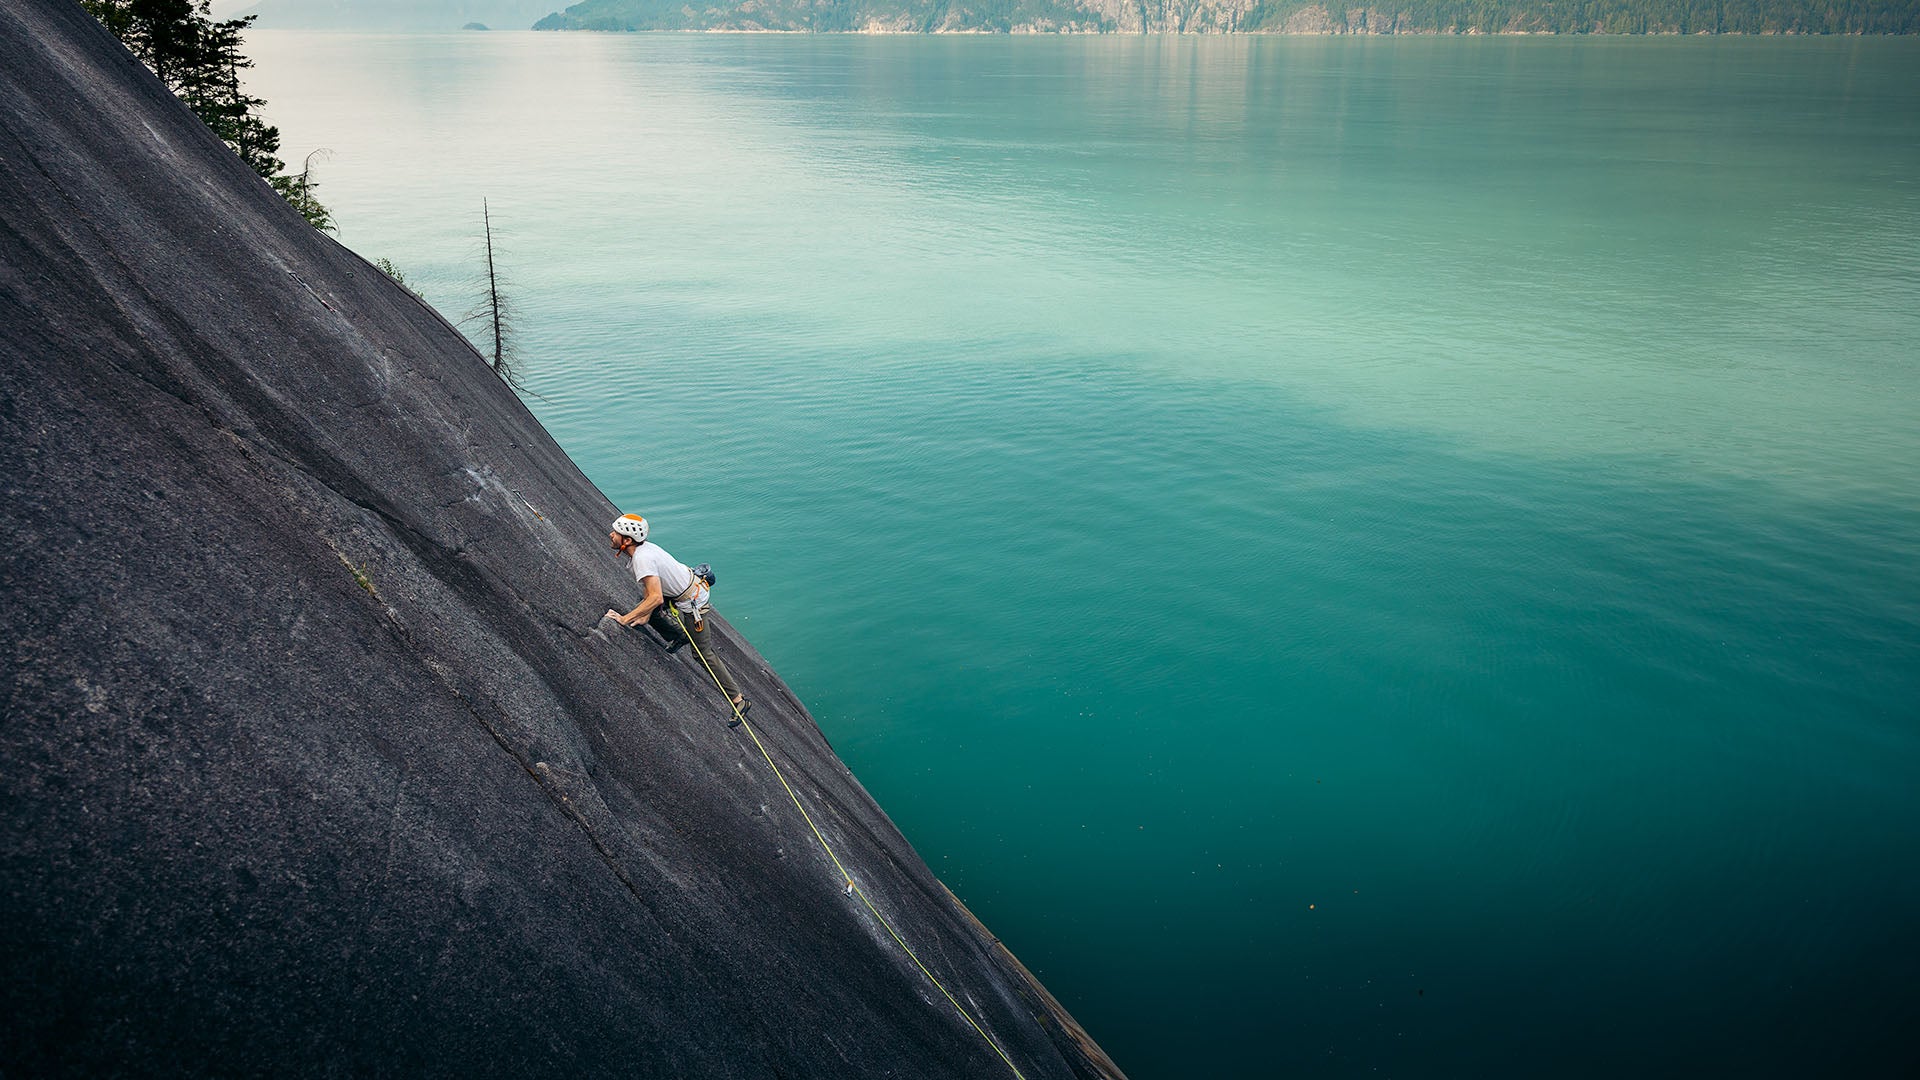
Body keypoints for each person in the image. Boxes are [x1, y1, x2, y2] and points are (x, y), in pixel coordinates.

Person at [604, 513, 748, 715]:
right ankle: (677, 636)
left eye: (616, 533)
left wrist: (624, 619)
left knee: (702, 654)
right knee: (644, 607)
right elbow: (650, 589)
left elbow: (656, 598)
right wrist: (646, 615)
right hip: (682, 586)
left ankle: (738, 700)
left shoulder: (642, 558)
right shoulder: (645, 549)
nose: (611, 535)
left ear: (627, 540)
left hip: (693, 601)